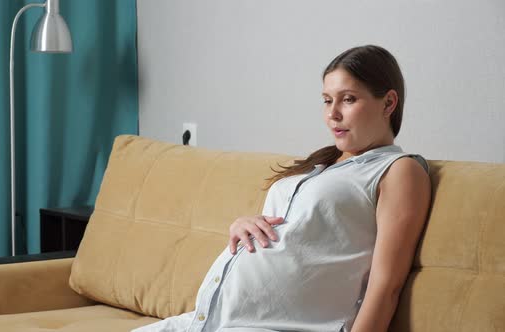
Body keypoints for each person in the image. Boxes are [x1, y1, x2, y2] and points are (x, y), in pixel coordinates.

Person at [133, 45, 432, 332]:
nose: (333, 114)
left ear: (389, 103)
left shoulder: (399, 170)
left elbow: (386, 285)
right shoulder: (323, 164)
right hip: (206, 320)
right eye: (327, 100)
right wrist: (245, 224)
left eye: (348, 99)